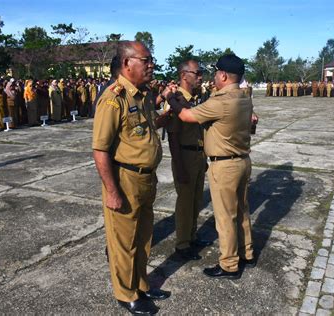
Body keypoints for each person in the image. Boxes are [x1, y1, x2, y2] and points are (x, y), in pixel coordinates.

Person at [92, 41, 170, 315]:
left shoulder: (143, 95)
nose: (152, 64)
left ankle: (141, 285)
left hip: (146, 179)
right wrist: (112, 191)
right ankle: (126, 294)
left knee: (143, 236)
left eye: (151, 59)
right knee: (124, 242)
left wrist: (168, 116)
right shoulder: (114, 99)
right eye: (146, 60)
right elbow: (100, 149)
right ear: (127, 64)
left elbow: (145, 130)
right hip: (124, 179)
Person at [164, 54, 255, 280]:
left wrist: (169, 98)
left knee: (225, 217)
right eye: (199, 73)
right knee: (241, 211)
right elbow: (175, 135)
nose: (209, 77)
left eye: (214, 72)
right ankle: (247, 252)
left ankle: (229, 264)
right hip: (241, 160)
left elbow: (185, 115)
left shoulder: (220, 100)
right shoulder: (244, 96)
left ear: (223, 75)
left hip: (225, 165)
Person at [167, 59, 212, 261]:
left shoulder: (194, 99)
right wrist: (179, 166)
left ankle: (192, 237)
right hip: (184, 156)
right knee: (185, 202)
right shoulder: (177, 101)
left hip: (197, 154)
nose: (200, 77)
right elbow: (173, 136)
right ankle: (182, 245)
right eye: (197, 73)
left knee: (196, 200)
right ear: (184, 75)